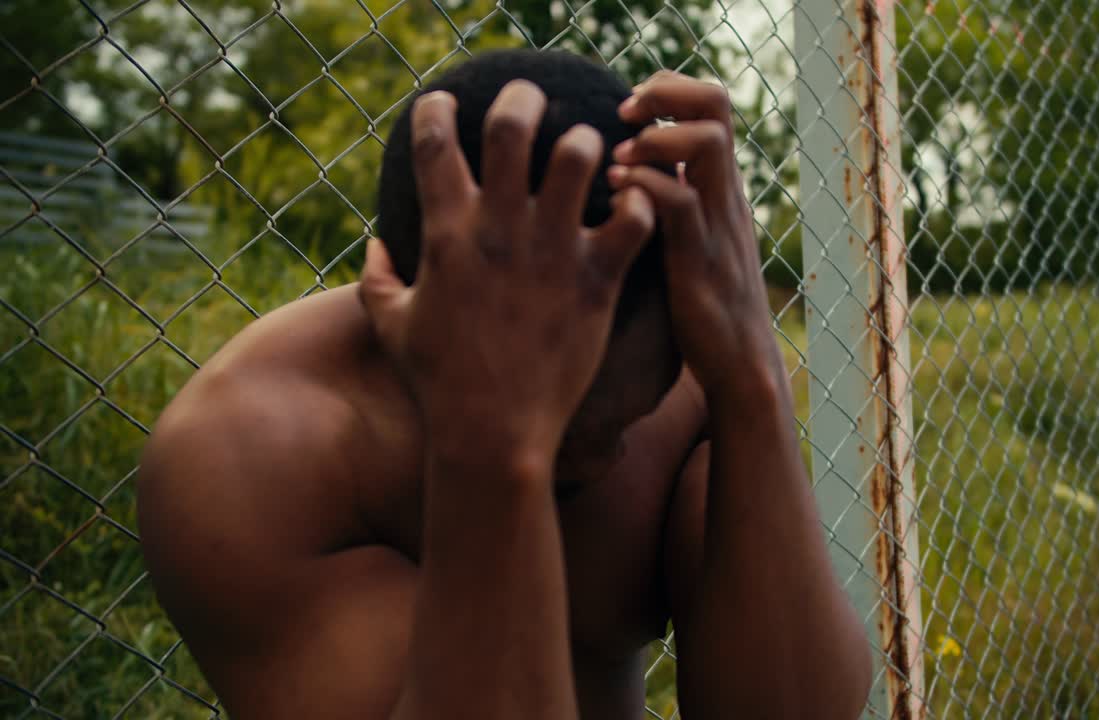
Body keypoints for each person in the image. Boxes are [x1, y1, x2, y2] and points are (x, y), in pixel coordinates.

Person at [137, 49, 872, 719]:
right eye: (576, 430)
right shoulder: (246, 456)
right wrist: (496, 446)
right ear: (408, 328)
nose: (613, 458)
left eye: (626, 419)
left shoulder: (695, 365)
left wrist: (752, 376)